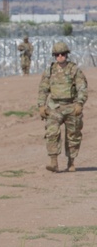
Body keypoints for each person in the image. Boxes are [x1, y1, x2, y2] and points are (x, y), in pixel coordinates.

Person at [37, 41, 87, 172]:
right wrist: (41, 105)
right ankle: (53, 162)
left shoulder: (74, 70)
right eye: (57, 54)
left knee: (73, 135)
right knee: (51, 133)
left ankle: (71, 162)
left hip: (71, 106)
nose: (60, 56)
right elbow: (43, 89)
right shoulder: (49, 71)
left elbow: (82, 88)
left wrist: (80, 103)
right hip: (55, 107)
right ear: (54, 55)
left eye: (63, 54)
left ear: (67, 55)